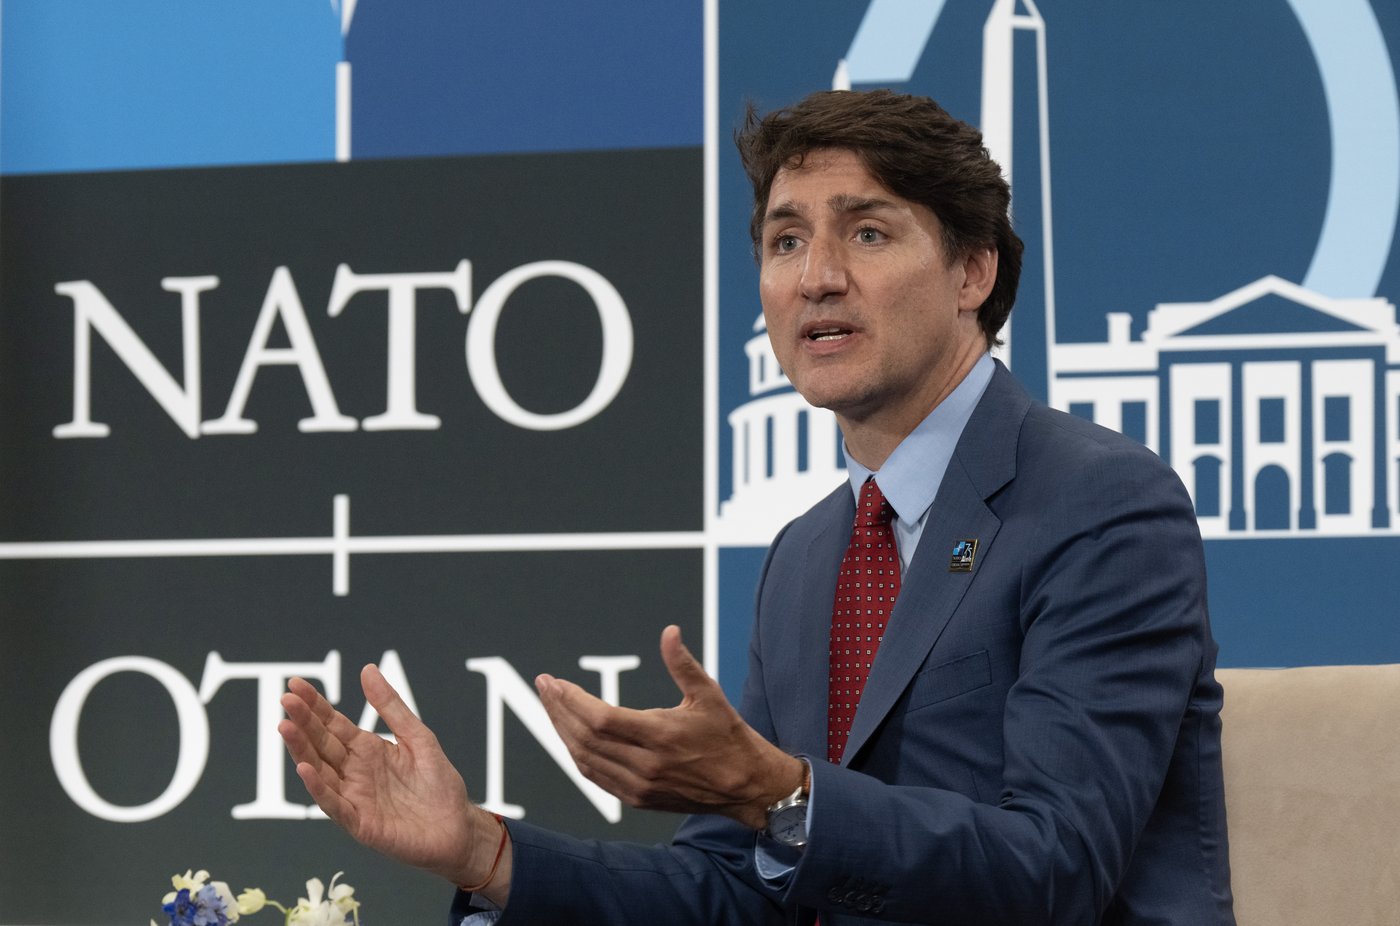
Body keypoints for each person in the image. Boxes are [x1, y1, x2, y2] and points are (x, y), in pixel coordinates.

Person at [279, 88, 1235, 924]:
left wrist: (783, 791)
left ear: (972, 273)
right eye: (786, 241)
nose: (816, 276)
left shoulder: (1099, 501)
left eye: (866, 231)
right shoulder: (806, 555)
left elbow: (1056, 869)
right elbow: (733, 892)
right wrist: (483, 852)